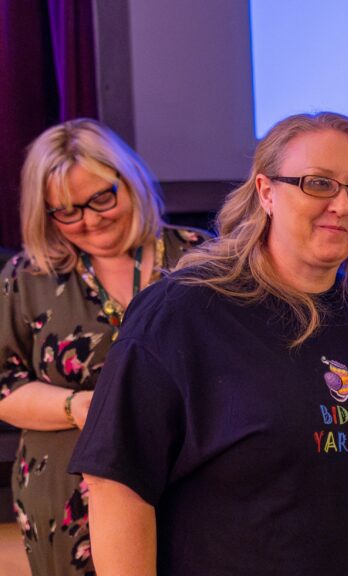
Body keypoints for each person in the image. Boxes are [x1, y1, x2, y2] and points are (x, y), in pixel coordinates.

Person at [68, 112, 348, 575]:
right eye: (318, 184)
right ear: (266, 192)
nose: (342, 205)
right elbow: (116, 485)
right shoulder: (182, 312)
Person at [0, 119, 205, 576]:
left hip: (186, 487)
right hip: (65, 499)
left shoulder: (201, 260)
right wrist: (81, 407)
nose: (90, 220)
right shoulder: (25, 278)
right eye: (67, 212)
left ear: (129, 180)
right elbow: (3, 386)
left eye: (101, 199)